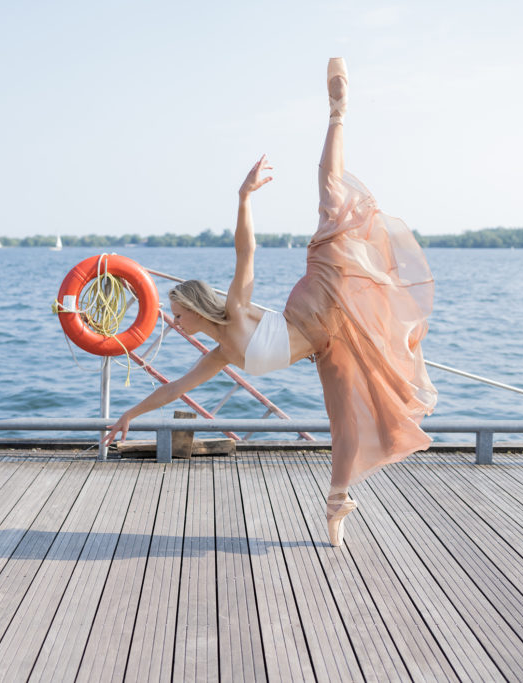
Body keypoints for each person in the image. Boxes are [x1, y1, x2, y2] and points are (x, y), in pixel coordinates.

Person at [103, 58, 437, 546]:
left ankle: (337, 112)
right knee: (348, 426)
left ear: (196, 307)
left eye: (176, 315)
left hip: (321, 303)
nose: (173, 325)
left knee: (330, 198)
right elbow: (174, 389)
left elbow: (247, 251)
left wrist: (244, 198)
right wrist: (131, 413)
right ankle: (338, 505)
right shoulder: (219, 355)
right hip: (327, 345)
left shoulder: (236, 309)